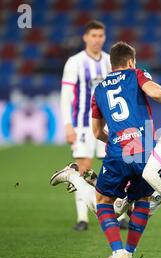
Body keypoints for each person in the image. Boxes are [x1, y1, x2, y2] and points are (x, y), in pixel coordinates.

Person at [50, 102, 161, 222]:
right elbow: (149, 172)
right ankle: (73, 175)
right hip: (137, 174)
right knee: (111, 212)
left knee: (138, 215)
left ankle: (95, 181)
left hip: (154, 183)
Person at [92, 41, 161, 258]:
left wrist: (115, 140)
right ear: (131, 62)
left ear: (112, 64)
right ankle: (129, 253)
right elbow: (154, 91)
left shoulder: (99, 90)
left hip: (117, 151)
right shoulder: (136, 74)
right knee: (143, 199)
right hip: (144, 151)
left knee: (103, 201)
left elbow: (96, 132)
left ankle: (117, 251)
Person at [60, 20, 111, 231]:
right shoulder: (74, 62)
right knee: (84, 168)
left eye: (100, 36)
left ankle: (118, 211)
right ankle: (83, 219)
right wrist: (67, 125)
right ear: (85, 37)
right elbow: (66, 95)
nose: (97, 40)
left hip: (107, 125)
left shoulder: (109, 61)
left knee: (114, 167)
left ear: (104, 38)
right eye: (93, 36)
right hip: (82, 125)